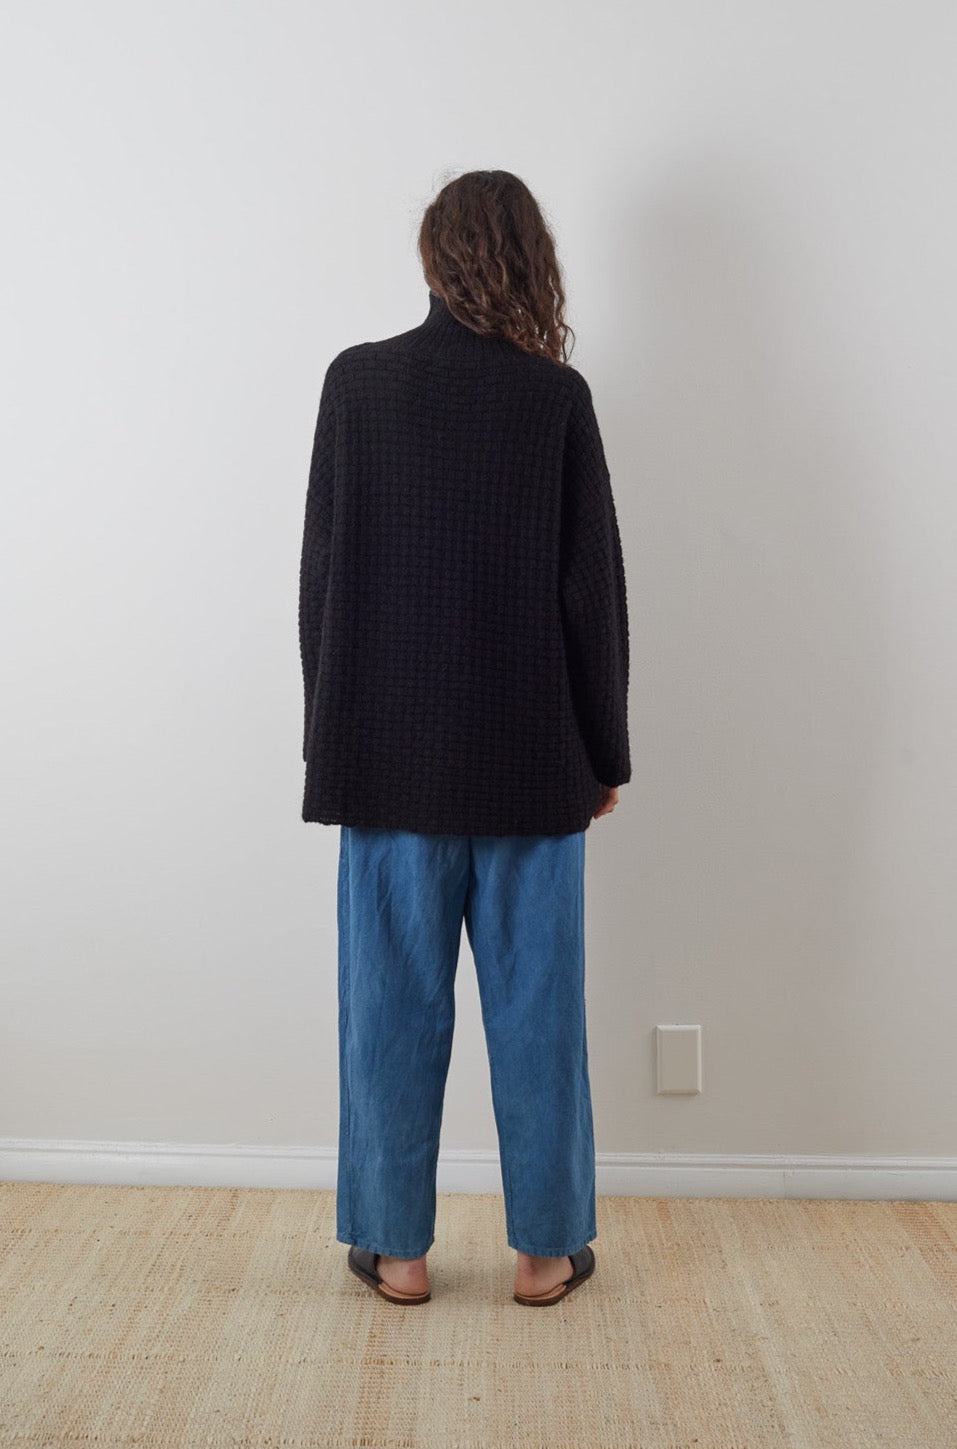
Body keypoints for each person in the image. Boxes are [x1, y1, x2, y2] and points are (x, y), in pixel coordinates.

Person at [299, 169, 631, 1306]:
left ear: (435, 258)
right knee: (540, 1009)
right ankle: (544, 1254)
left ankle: (397, 1253)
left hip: (389, 764)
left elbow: (323, 586)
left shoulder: (359, 385)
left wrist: (328, 740)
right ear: (530, 260)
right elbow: (595, 598)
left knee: (390, 1008)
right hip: (536, 766)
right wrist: (606, 755)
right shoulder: (556, 401)